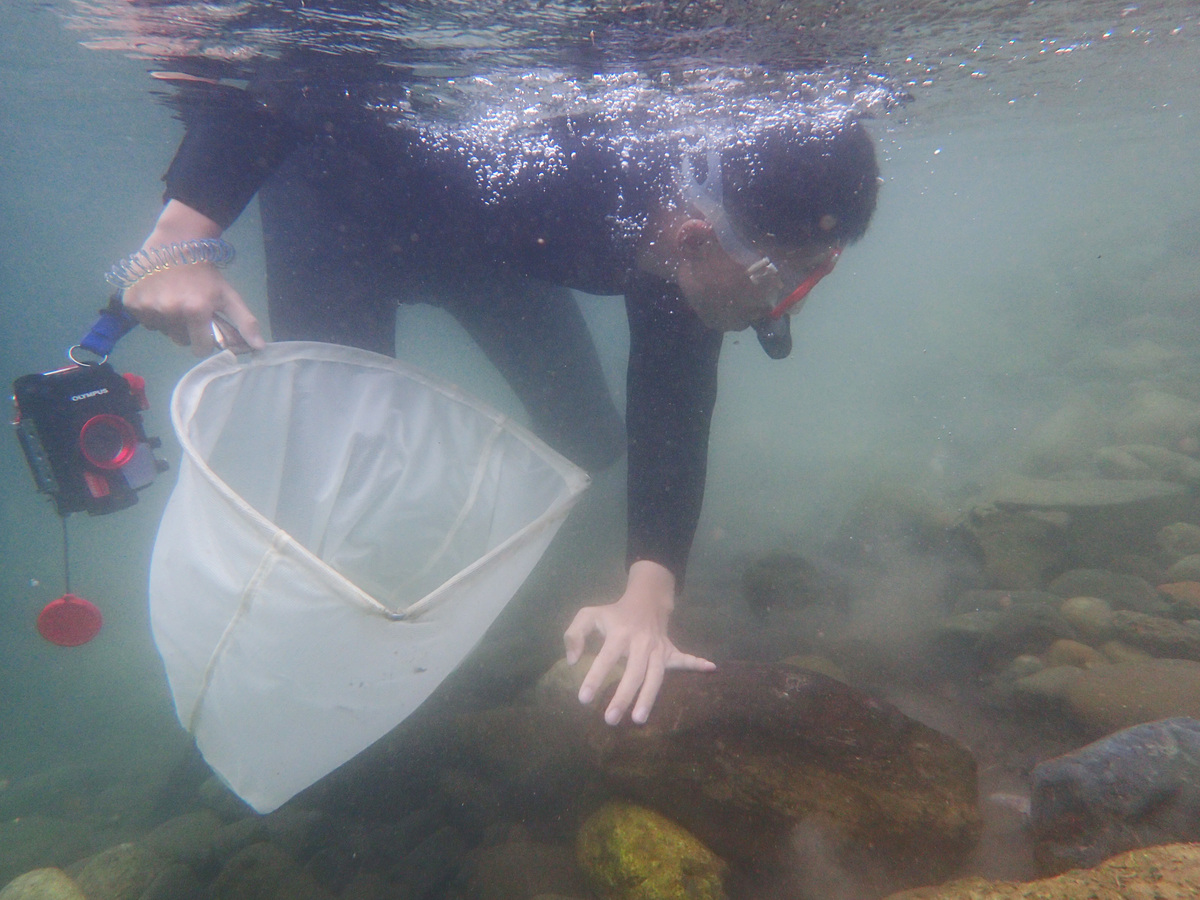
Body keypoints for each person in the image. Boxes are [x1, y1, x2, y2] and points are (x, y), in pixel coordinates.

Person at [115, 72, 880, 726]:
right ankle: (297, 670)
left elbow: (674, 400)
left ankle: (511, 569)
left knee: (592, 440)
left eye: (818, 270)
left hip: (493, 252)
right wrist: (183, 232)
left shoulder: (683, 227)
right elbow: (298, 75)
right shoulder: (566, 163)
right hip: (345, 212)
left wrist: (648, 595)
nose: (789, 302)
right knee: (339, 486)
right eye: (782, 277)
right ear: (694, 237)